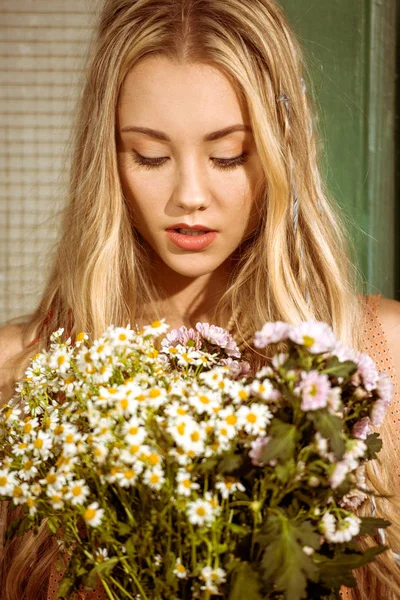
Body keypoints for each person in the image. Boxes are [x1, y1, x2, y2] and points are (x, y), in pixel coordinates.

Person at [0, 0, 399, 598]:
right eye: (150, 156)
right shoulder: (18, 372)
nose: (190, 194)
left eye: (228, 155)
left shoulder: (378, 354)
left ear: (279, 149)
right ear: (105, 161)